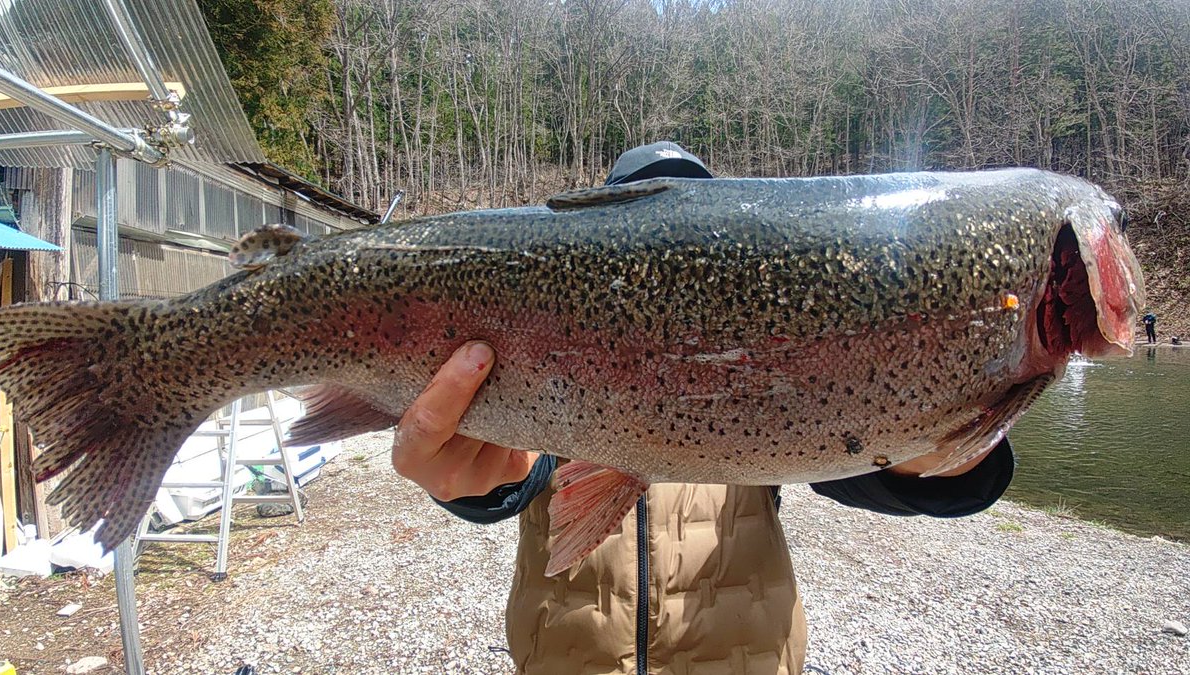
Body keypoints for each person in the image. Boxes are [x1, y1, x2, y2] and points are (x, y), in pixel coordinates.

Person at [391, 141, 1015, 674]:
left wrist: (944, 454)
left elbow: (861, 470)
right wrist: (472, 485)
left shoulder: (776, 353)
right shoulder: (556, 333)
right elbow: (515, 476)